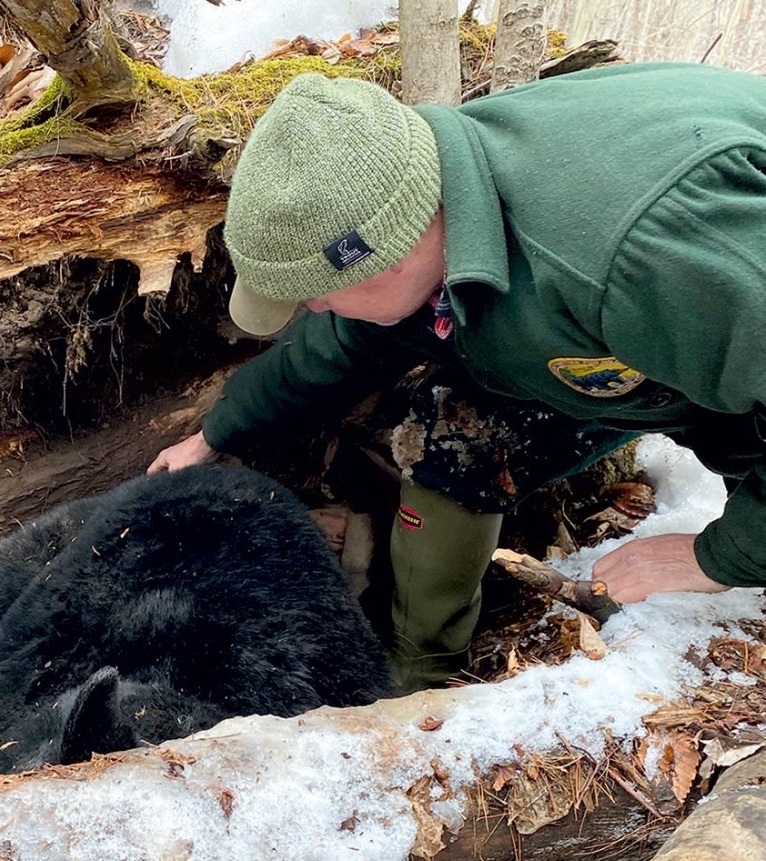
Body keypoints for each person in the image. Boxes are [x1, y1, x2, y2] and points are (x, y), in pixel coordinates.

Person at [148, 63, 766, 693]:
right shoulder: (424, 205)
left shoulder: (639, 255)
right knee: (458, 444)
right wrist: (218, 432)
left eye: (315, 293)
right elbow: (341, 339)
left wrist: (716, 557)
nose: (311, 308)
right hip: (643, 344)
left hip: (696, 327)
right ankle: (420, 676)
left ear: (383, 254)